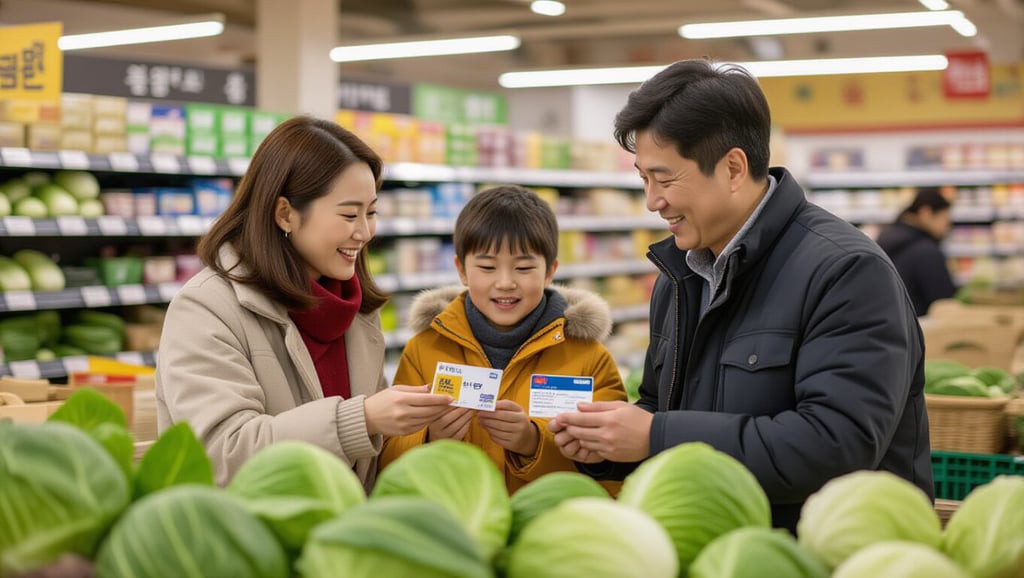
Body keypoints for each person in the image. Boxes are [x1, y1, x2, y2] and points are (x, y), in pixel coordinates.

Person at [548, 59, 932, 533]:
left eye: (664, 179)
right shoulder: (679, 274)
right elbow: (660, 407)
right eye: (643, 179)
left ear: (732, 167)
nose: (652, 201)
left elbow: (837, 444)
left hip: (829, 553)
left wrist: (654, 436)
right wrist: (608, 444)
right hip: (716, 542)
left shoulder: (847, 272)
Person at [156, 116, 453, 489]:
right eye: (349, 214)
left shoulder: (355, 310)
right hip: (243, 538)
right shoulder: (206, 309)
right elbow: (220, 453)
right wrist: (359, 420)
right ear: (285, 214)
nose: (364, 232)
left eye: (371, 212)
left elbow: (367, 464)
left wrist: (426, 434)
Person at [379, 185, 626, 493]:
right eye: (486, 267)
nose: (506, 283)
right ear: (462, 271)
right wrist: (430, 439)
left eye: (523, 268)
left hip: (544, 529)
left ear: (550, 272)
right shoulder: (425, 350)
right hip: (454, 526)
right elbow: (387, 460)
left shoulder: (588, 357)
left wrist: (532, 443)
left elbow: (612, 469)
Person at [876, 187, 956, 316]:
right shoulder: (926, 252)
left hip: (893, 325)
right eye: (945, 219)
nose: (947, 227)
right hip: (922, 327)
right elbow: (944, 303)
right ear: (926, 213)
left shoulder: (886, 238)